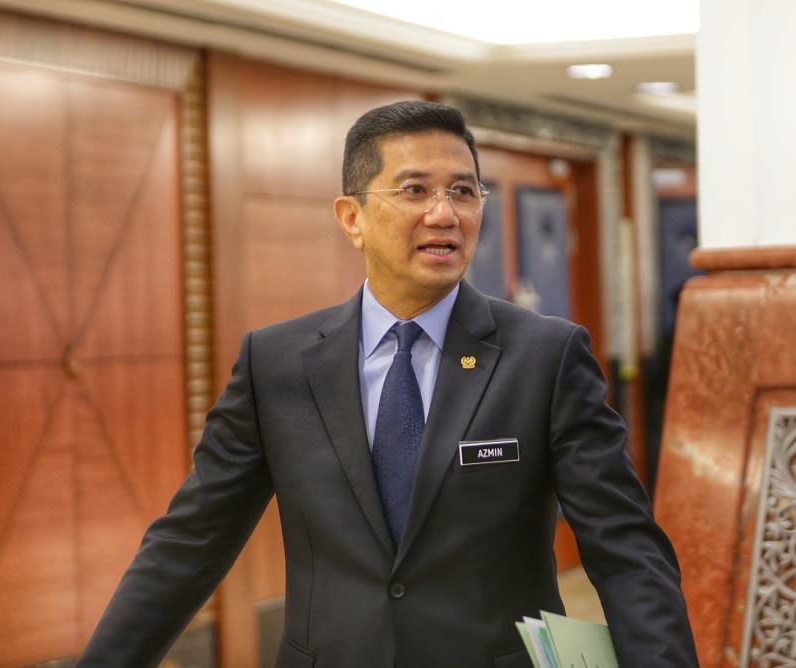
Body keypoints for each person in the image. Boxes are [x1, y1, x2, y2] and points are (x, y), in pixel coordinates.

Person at [78, 100, 698, 667]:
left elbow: (626, 551)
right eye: (415, 189)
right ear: (352, 217)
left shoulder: (545, 356)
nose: (444, 213)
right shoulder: (277, 364)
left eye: (463, 190)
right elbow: (192, 542)